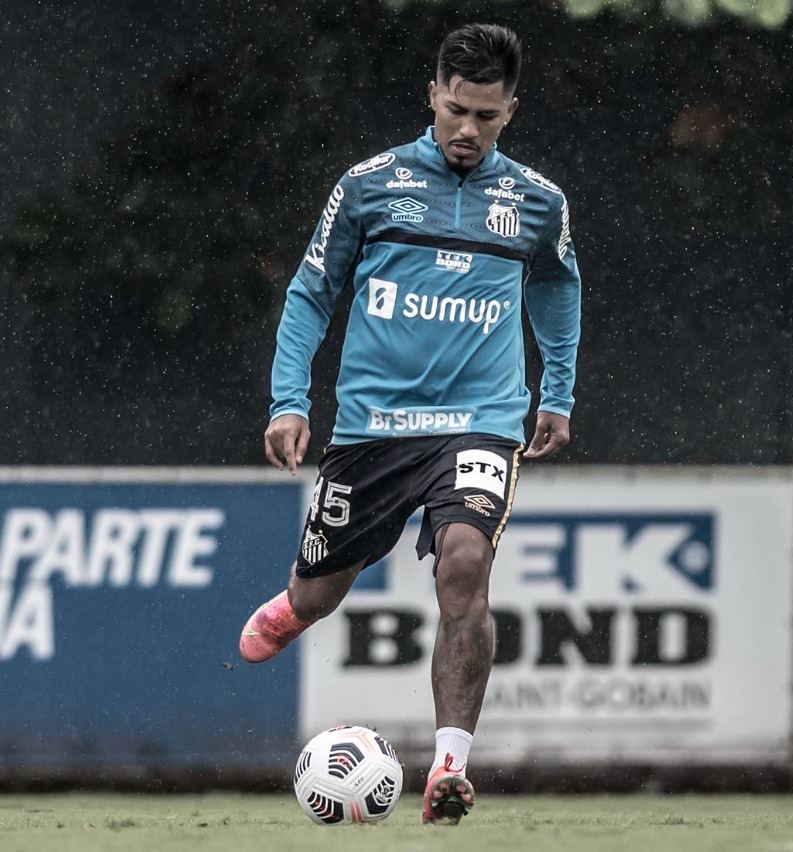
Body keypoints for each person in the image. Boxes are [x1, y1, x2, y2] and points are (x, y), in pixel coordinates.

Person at [238, 22, 580, 826]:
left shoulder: (536, 201)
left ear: (510, 112)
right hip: (373, 427)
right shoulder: (369, 185)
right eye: (456, 110)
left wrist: (556, 391)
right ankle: (296, 606)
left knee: (465, 564)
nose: (468, 130)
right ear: (432, 95)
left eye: (486, 117)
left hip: (481, 421)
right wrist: (289, 400)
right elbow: (311, 292)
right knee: (319, 593)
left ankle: (450, 766)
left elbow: (557, 287)